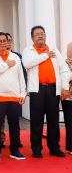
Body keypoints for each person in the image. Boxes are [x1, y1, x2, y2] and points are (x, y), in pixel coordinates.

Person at [22, 26, 70, 158]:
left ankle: (54, 147)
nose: (40, 36)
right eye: (37, 34)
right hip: (38, 90)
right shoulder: (29, 50)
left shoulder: (54, 50)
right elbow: (27, 63)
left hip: (53, 89)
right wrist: (45, 55)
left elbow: (64, 69)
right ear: (32, 38)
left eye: (42, 33)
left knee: (53, 121)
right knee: (36, 121)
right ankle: (36, 148)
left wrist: (65, 87)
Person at [0, 32, 26, 161]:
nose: (3, 43)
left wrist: (22, 93)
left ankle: (15, 149)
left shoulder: (15, 57)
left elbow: (21, 77)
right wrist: (6, 65)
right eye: (0, 41)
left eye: (5, 41)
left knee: (14, 125)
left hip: (14, 96)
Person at [62, 42, 72, 155]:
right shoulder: (64, 64)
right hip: (68, 97)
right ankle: (71, 146)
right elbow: (67, 77)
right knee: (70, 122)